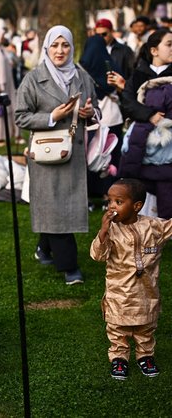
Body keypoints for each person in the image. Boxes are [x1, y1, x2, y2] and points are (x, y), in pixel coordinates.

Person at [15, 25, 98, 285]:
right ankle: (70, 267)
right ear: (46, 48)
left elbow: (94, 108)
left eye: (65, 45)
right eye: (55, 45)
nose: (60, 51)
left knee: (62, 206)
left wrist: (88, 113)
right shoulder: (33, 78)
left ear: (72, 47)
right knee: (54, 208)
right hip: (46, 154)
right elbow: (20, 116)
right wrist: (53, 116)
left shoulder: (82, 77)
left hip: (73, 153)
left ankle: (44, 248)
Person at [90, 178, 172, 380]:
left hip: (146, 292)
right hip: (120, 294)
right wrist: (102, 231)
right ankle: (119, 357)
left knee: (146, 327)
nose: (111, 207)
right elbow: (97, 255)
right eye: (109, 201)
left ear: (137, 206)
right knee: (118, 328)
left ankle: (145, 355)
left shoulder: (153, 226)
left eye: (118, 202)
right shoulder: (111, 231)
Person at [118, 29, 172, 218]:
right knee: (143, 192)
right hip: (141, 145)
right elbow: (127, 101)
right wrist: (149, 115)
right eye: (169, 44)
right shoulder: (139, 73)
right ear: (154, 50)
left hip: (167, 145)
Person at [79, 34, 124, 199]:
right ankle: (109, 193)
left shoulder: (80, 69)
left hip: (91, 120)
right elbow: (121, 89)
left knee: (90, 156)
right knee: (110, 157)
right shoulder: (111, 67)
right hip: (112, 117)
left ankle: (89, 193)